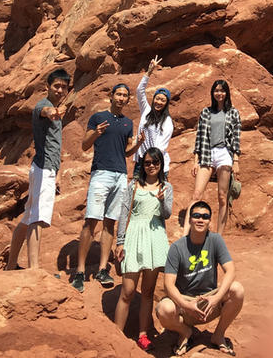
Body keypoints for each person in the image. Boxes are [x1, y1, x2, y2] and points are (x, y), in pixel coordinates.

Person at [71, 82, 144, 292]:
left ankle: (103, 269)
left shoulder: (128, 123)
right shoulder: (98, 117)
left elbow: (127, 152)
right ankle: (80, 271)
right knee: (91, 221)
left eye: (125, 96)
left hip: (121, 175)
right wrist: (96, 133)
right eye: (118, 94)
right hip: (101, 173)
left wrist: (138, 144)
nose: (121, 98)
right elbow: (85, 145)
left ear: (127, 100)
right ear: (111, 96)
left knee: (110, 222)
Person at [157, 201, 244, 356]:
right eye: (196, 216)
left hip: (209, 301)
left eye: (205, 217)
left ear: (210, 221)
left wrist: (216, 298)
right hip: (185, 304)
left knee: (237, 289)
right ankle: (185, 332)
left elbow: (230, 270)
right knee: (164, 309)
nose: (200, 219)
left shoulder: (215, 240)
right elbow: (168, 285)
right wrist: (186, 304)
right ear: (189, 220)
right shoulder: (177, 248)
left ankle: (218, 335)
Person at [6, 68, 71, 269]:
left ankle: (10, 265)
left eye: (63, 87)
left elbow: (54, 145)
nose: (60, 90)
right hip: (43, 169)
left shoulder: (55, 108)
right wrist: (53, 112)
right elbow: (44, 112)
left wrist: (58, 174)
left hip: (45, 168)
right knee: (38, 217)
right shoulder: (44, 105)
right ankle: (34, 269)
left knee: (27, 217)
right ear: (47, 87)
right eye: (56, 86)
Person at [114, 147, 173, 352]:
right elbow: (124, 213)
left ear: (161, 164)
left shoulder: (166, 187)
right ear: (142, 164)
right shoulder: (133, 186)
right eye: (147, 162)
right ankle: (116, 336)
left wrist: (163, 200)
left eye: (155, 163)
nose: (151, 166)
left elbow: (166, 215)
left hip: (155, 238)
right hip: (133, 236)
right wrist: (120, 241)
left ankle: (142, 335)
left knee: (147, 292)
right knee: (127, 291)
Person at [186, 80, 241, 235]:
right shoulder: (206, 112)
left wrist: (236, 161)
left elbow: (236, 139)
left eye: (222, 91)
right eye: (216, 90)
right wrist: (196, 162)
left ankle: (219, 238)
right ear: (212, 93)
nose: (219, 93)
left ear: (227, 93)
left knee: (222, 197)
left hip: (225, 153)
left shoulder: (233, 113)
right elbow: (199, 138)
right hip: (207, 153)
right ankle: (186, 234)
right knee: (197, 195)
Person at [134, 54, 173, 178]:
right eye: (157, 98)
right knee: (136, 195)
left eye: (163, 100)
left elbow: (161, 146)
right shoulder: (146, 110)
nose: (159, 102)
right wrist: (149, 71)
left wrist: (150, 159)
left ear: (166, 103)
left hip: (157, 163)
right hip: (141, 161)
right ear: (153, 99)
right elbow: (139, 91)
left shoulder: (167, 121)